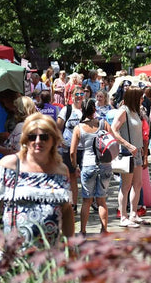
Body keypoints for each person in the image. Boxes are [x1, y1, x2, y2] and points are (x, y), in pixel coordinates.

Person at [0, 113, 74, 247]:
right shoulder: (9, 165)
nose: (38, 141)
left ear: (54, 139)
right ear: (25, 140)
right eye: (32, 137)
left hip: (50, 257)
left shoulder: (62, 170)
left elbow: (66, 210)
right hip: (15, 254)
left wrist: (70, 245)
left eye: (44, 137)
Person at [70, 99, 113, 235]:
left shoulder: (79, 128)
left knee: (86, 201)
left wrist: (75, 166)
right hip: (104, 165)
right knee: (101, 200)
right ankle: (104, 230)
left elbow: (72, 151)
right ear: (95, 109)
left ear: (82, 110)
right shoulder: (103, 124)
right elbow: (113, 141)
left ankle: (83, 231)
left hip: (88, 165)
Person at [111, 86, 146, 228]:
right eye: (140, 96)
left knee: (137, 184)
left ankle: (133, 213)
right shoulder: (123, 111)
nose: (143, 99)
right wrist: (127, 145)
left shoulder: (135, 110)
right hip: (127, 153)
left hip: (136, 151)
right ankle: (123, 216)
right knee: (126, 186)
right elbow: (114, 130)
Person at [57, 86, 85, 214]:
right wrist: (61, 141)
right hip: (68, 148)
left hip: (84, 148)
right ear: (71, 96)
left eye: (81, 94)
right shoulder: (66, 110)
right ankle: (72, 204)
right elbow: (58, 127)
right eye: (76, 94)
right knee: (70, 177)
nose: (79, 96)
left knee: (86, 177)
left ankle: (89, 202)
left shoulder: (86, 109)